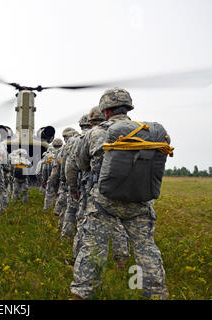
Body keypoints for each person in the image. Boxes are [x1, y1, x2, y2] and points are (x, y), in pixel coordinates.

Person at [70, 88, 169, 300]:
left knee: (92, 250)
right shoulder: (145, 132)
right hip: (140, 201)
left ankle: (83, 293)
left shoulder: (94, 133)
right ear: (128, 107)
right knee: (147, 249)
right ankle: (156, 293)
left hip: (103, 201)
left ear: (105, 111)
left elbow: (80, 164)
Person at [65, 106, 129, 268]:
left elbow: (77, 165)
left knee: (87, 227)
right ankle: (121, 262)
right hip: (131, 190)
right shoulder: (140, 130)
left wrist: (74, 190)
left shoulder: (90, 136)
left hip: (99, 190)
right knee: (119, 226)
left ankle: (81, 269)